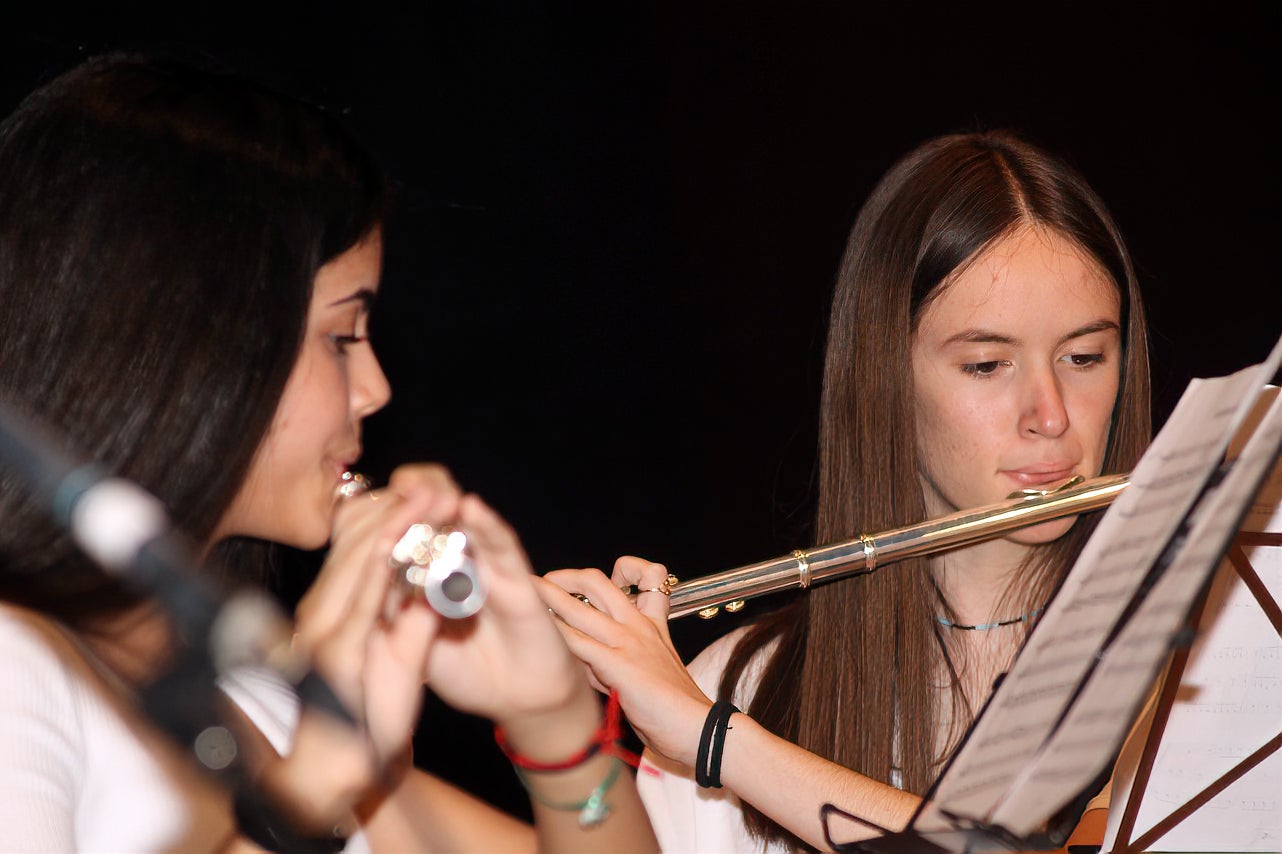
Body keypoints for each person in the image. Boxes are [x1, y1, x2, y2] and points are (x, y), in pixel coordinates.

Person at [0, 53, 657, 853]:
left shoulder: (258, 699)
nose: (375, 388)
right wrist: (306, 790)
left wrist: (554, 724)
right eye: (341, 336)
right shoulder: (17, 664)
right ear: (191, 345)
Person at [540, 130, 1153, 851]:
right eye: (987, 365)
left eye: (1084, 357)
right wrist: (550, 717)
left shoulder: (1197, 663)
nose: (1050, 416)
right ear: (886, 379)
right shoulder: (740, 683)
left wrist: (715, 739)